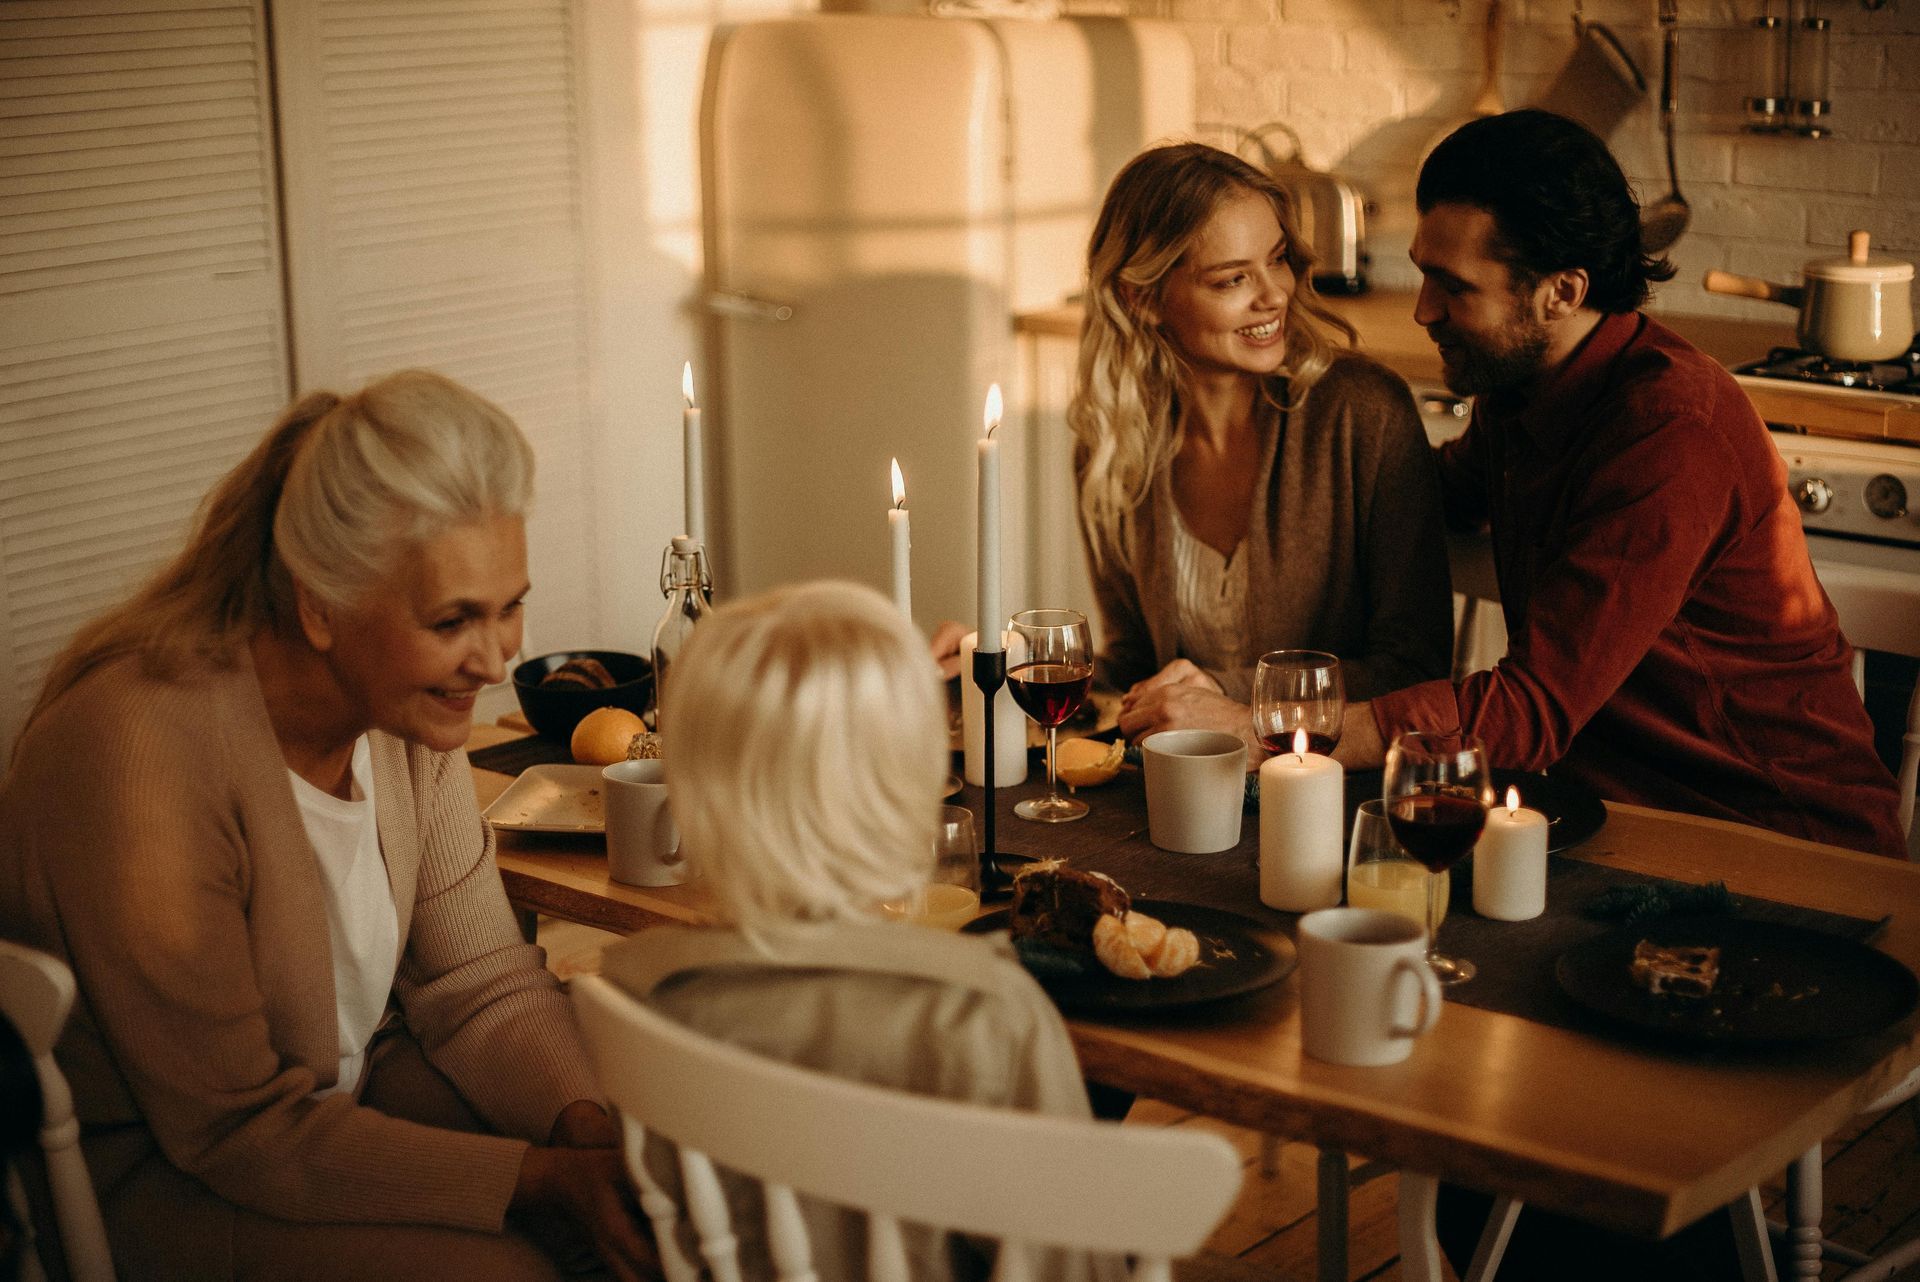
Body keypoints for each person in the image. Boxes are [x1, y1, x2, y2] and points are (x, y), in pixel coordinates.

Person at [0, 371, 655, 1281]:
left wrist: (586, 1136)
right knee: (522, 1270)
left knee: (653, 1163)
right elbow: (237, 1132)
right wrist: (537, 1177)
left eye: (509, 606)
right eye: (453, 619)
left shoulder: (404, 711)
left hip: (336, 1097)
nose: (499, 658)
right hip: (157, 1178)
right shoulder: (140, 753)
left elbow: (480, 982)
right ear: (319, 605)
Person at [1335, 109, 1904, 861]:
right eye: (1421, 271)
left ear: (1562, 292)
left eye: (1453, 286)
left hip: (1773, 843)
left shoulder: (1671, 428)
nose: (1421, 310)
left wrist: (1290, 726)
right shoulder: (1521, 383)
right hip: (1613, 821)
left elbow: (1534, 705)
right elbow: (1432, 497)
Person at [598, 580, 1117, 1282]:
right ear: (909, 793)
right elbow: (1068, 1265)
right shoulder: (986, 1015)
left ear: (689, 792)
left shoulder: (636, 995)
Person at [1071, 142, 1454, 749]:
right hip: (1186, 792)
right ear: (1140, 299)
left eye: (1277, 260)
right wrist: (998, 667)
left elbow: (1414, 669)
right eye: (1232, 279)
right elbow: (1135, 669)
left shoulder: (1361, 413)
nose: (1274, 294)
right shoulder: (1116, 447)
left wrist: (1225, 692)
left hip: (1333, 794)